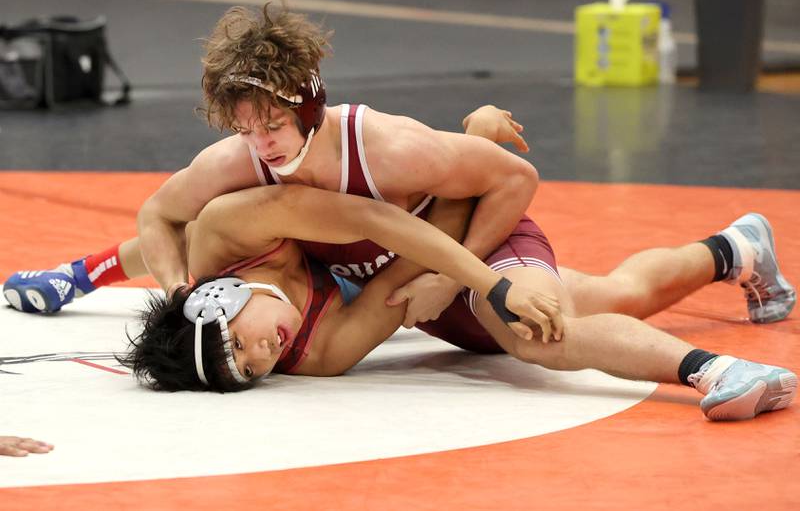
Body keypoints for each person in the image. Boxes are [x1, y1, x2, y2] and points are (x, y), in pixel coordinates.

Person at [4, 4, 795, 328]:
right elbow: (162, 215)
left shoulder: (385, 145)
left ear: (309, 106)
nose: (262, 142)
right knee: (222, 218)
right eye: (245, 126)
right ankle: (81, 271)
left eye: (274, 123)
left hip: (453, 244)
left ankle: (736, 247)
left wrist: (456, 276)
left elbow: (515, 180)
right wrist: (180, 301)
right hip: (371, 269)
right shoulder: (242, 154)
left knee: (607, 302)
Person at [120, 182, 796, 423]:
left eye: (238, 344)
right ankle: (737, 247)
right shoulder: (316, 353)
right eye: (250, 371)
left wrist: (468, 273)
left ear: (219, 296)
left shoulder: (229, 228)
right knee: (618, 295)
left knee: (538, 334)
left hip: (456, 225)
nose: (262, 354)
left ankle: (717, 372)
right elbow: (389, 294)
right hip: (424, 280)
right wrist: (445, 285)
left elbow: (379, 222)